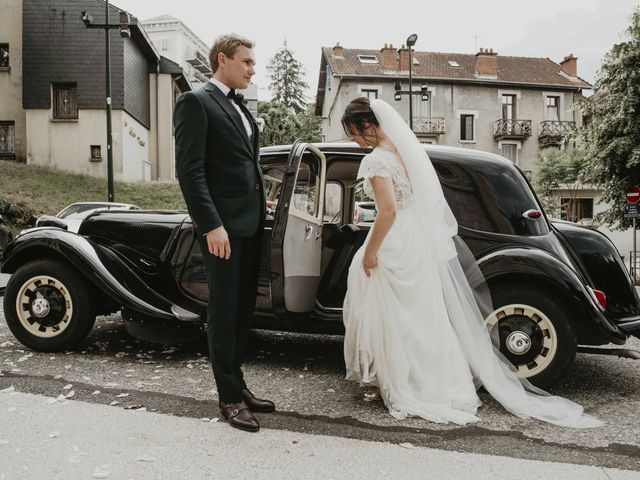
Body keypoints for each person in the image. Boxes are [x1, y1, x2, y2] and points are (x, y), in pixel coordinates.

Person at [341, 97, 602, 428]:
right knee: (420, 315)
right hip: (416, 241)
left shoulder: (377, 160)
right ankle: (430, 381)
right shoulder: (404, 154)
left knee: (390, 313)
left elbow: (388, 211)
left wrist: (370, 251)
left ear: (366, 125)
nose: (353, 139)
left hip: (395, 239)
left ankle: (394, 382)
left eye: (352, 132)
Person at [174, 34, 274, 433]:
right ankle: (229, 399)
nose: (253, 69)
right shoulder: (196, 103)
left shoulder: (242, 109)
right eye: (247, 62)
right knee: (224, 313)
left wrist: (259, 202)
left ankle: (239, 385)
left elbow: (242, 168)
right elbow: (191, 173)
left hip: (249, 225)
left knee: (243, 311)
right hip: (222, 231)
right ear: (223, 60)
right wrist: (211, 224)